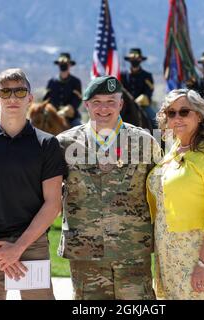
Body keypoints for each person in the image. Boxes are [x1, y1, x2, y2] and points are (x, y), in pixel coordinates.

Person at [0, 68, 66, 300]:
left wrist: (17, 249)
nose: (13, 98)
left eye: (20, 91)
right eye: (6, 92)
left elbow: (53, 203)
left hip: (33, 244)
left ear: (30, 98)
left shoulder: (47, 145)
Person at [57, 75, 161, 300]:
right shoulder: (63, 144)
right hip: (86, 253)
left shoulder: (145, 142)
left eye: (111, 101)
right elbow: (48, 195)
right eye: (96, 102)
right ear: (86, 105)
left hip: (132, 249)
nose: (103, 108)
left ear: (121, 104)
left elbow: (161, 195)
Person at [146, 89, 204, 300]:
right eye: (171, 113)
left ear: (199, 115)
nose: (177, 118)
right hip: (169, 255)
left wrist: (203, 264)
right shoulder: (173, 151)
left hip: (197, 254)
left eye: (184, 111)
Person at [43, 53, 83, 127]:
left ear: (70, 65)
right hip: (52, 116)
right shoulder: (51, 81)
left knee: (80, 131)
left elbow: (78, 99)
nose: (63, 66)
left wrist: (67, 109)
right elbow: (46, 99)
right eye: (61, 64)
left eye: (65, 64)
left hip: (71, 117)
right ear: (58, 65)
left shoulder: (76, 81)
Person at [120, 48, 156, 124]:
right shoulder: (122, 75)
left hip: (143, 105)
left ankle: (159, 135)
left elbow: (149, 91)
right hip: (125, 105)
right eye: (132, 58)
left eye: (136, 58)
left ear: (140, 60)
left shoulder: (147, 76)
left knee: (155, 121)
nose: (134, 60)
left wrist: (141, 99)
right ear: (129, 60)